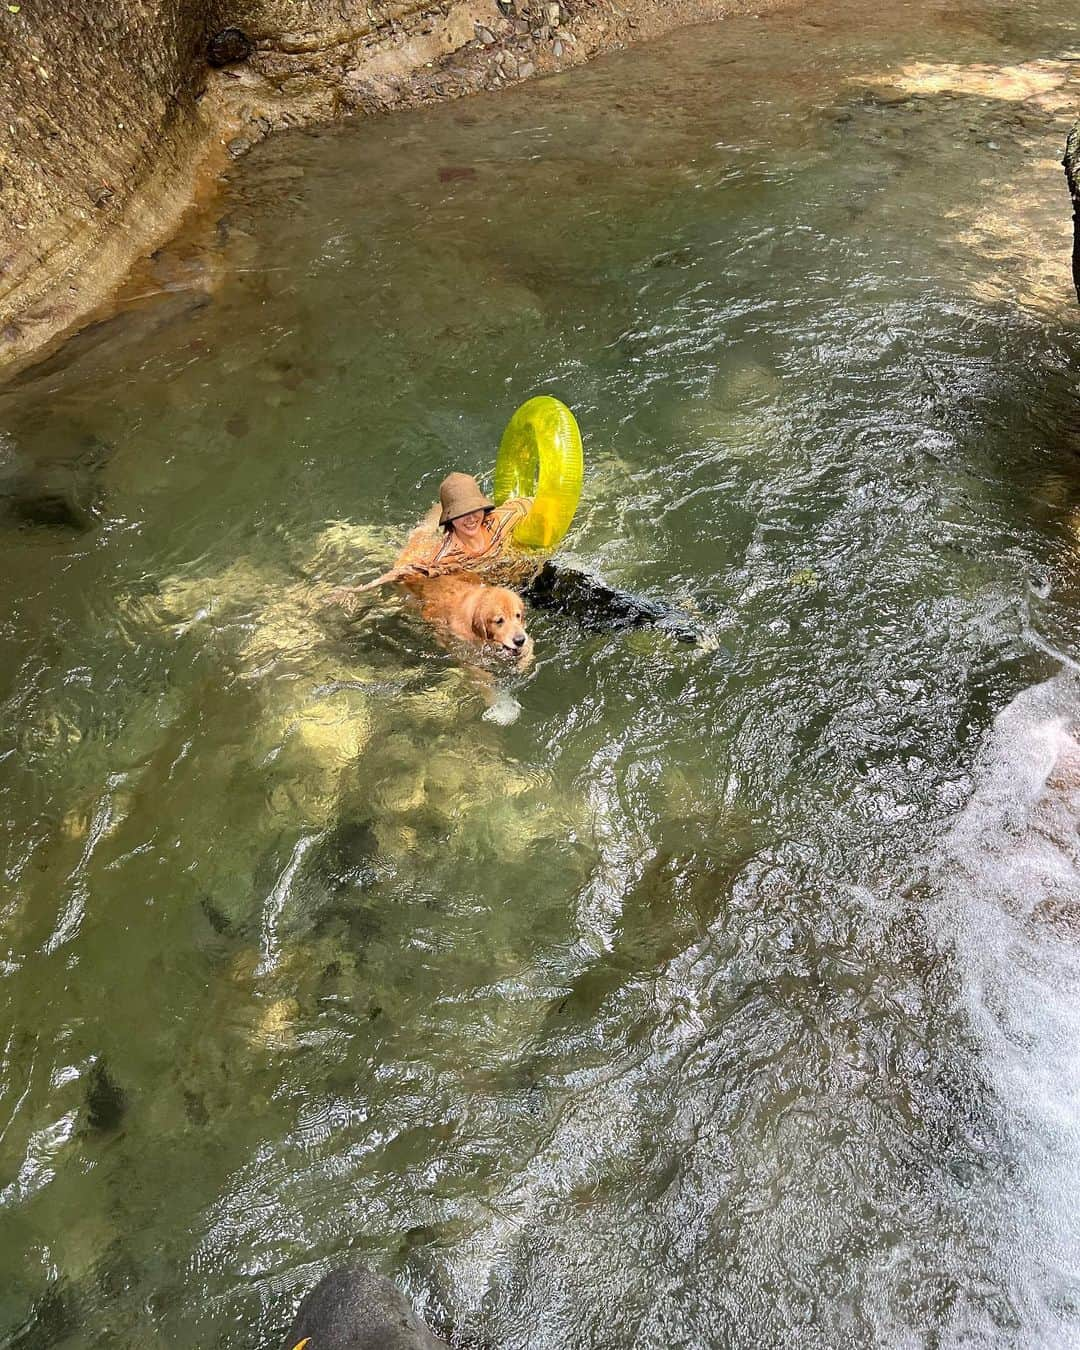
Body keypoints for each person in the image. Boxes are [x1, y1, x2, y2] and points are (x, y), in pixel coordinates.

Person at [340, 472, 533, 601]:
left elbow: (532, 503)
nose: (471, 519)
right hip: (488, 586)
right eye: (461, 514)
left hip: (518, 572)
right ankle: (428, 521)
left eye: (475, 510)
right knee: (421, 534)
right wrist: (357, 590)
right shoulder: (444, 556)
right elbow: (404, 571)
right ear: (450, 518)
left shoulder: (500, 521)